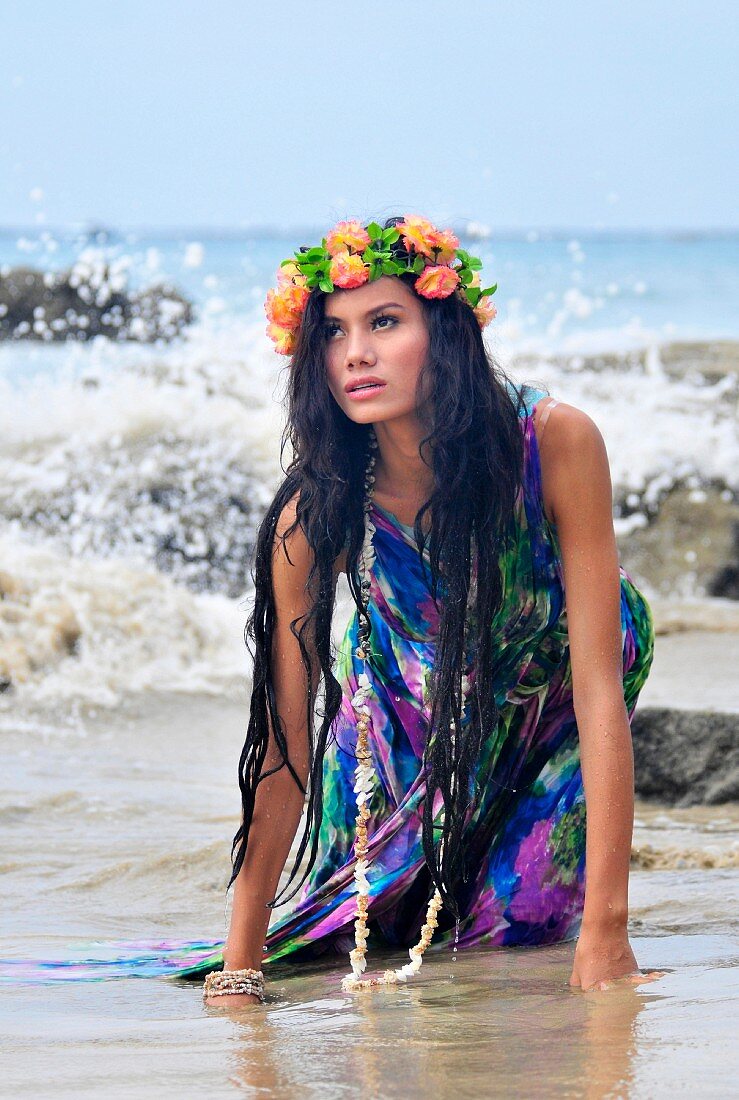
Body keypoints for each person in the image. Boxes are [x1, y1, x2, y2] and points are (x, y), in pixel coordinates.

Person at [202, 215, 656, 1007]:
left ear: (442, 331)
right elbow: (285, 738)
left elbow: (596, 693)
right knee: (360, 926)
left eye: (384, 322)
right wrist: (239, 961)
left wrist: (607, 929)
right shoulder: (313, 513)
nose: (355, 355)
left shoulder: (554, 442)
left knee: (518, 927)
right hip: (402, 712)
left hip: (548, 696)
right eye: (333, 333)